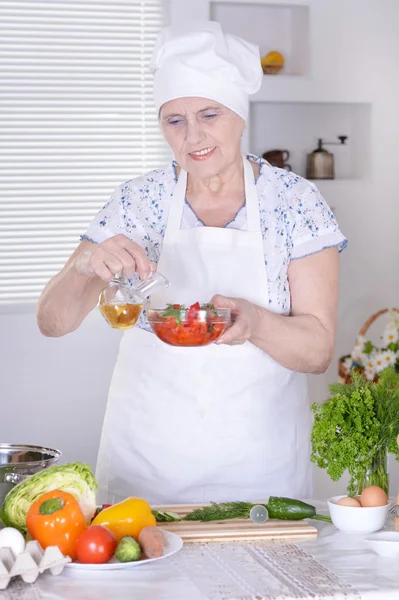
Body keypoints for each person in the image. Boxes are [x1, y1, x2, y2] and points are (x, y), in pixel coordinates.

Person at [37, 21, 347, 505]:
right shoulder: (138, 202)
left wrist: (256, 322)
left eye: (209, 114)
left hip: (260, 468)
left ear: (240, 116)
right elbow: (52, 323)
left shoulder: (297, 203)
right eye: (174, 120)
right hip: (146, 464)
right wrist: (84, 267)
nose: (193, 136)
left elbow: (317, 351)